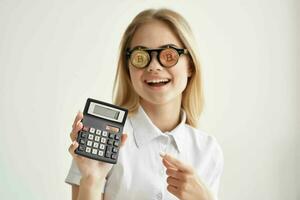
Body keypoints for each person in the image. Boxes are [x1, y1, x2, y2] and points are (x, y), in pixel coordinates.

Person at [65, 8, 223, 200]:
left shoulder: (207, 150)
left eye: (169, 55)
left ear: (190, 64)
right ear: (128, 67)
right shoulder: (102, 138)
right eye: (141, 57)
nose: (154, 66)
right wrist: (91, 179)